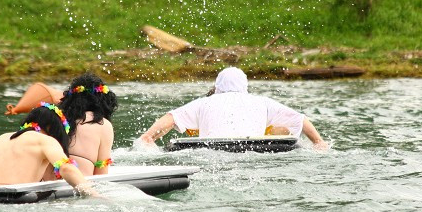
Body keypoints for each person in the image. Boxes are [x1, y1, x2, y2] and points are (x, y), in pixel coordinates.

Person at [138, 67, 328, 150]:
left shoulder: (204, 102)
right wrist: (319, 142)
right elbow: (300, 119)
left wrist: (148, 137)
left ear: (217, 86)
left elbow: (171, 118)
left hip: (210, 151)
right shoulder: (262, 102)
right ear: (245, 86)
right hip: (255, 151)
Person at [0, 105, 94, 194]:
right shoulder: (45, 140)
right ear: (53, 129)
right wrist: (92, 193)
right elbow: (66, 168)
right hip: (14, 200)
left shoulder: (3, 138)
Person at [58, 74, 118, 175]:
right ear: (103, 100)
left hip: (48, 183)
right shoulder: (103, 124)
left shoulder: (58, 118)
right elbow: (101, 173)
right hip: (80, 185)